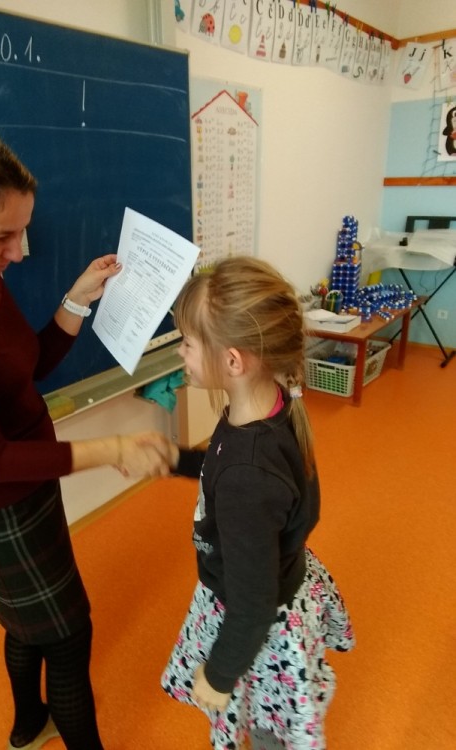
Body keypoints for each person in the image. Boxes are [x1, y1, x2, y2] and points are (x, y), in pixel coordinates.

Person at [0, 127, 174, 750]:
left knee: (28, 625)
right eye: (2, 236)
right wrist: (115, 449)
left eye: (21, 231)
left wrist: (76, 299)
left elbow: (32, 364)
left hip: (34, 484)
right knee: (68, 635)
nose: (18, 253)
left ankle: (27, 726)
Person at [161, 257, 355, 750]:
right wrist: (177, 460)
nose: (180, 352)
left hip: (257, 623)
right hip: (278, 586)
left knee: (270, 729)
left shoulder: (247, 477)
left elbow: (251, 603)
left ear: (233, 361)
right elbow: (230, 466)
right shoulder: (271, 402)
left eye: (187, 343)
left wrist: (219, 675)